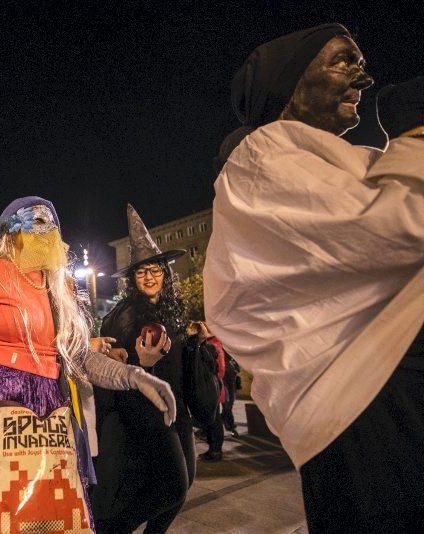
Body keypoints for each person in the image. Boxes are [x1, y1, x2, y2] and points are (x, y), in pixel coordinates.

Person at [204, 24, 424, 531]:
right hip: (370, 413)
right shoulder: (264, 154)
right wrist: (413, 133)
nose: (362, 76)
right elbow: (395, 228)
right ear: (290, 81)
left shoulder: (328, 159)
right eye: (342, 60)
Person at [0, 196, 177, 532]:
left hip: (47, 415)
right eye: (34, 221)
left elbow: (77, 354)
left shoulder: (60, 286)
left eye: (50, 221)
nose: (45, 227)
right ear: (11, 231)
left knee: (41, 516)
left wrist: (134, 376)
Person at [92, 204, 194, 533]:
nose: (149, 276)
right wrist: (140, 364)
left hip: (177, 408)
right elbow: (111, 368)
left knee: (182, 485)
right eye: (141, 272)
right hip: (144, 411)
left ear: (166, 273)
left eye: (155, 269)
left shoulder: (173, 310)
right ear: (134, 279)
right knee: (170, 486)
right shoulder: (123, 315)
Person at [187, 321, 226, 462]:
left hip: (211, 388)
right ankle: (212, 449)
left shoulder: (213, 346)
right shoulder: (201, 346)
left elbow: (220, 369)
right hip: (208, 387)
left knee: (215, 419)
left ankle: (216, 450)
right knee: (211, 420)